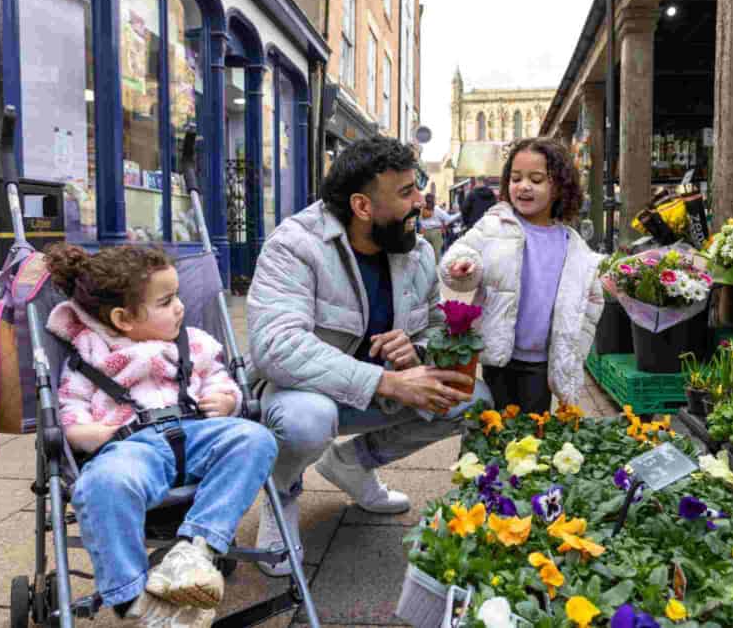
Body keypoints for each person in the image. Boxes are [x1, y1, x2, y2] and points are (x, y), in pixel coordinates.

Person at [247, 136, 486, 576]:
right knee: (307, 422)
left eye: (418, 187)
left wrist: (414, 352)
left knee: (469, 397)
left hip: (377, 389)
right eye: (406, 192)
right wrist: (390, 382)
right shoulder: (295, 245)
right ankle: (280, 496)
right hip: (299, 393)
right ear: (362, 206)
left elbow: (434, 328)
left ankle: (352, 465)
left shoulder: (415, 251)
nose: (421, 201)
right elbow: (277, 345)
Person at [44, 243, 277, 627]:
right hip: (130, 446)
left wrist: (225, 397)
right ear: (122, 318)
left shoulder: (194, 343)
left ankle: (194, 549)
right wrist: (85, 433)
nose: (180, 307)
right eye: (167, 301)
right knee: (101, 484)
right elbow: (71, 406)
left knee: (255, 438)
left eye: (178, 296)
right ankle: (133, 597)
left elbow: (219, 377)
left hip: (198, 433)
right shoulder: (89, 357)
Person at [440, 137, 605, 414]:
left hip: (542, 360)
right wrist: (462, 268)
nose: (524, 186)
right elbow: (461, 255)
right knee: (490, 425)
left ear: (559, 187)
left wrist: (575, 349)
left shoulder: (572, 244)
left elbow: (590, 303)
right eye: (516, 178)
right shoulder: (496, 224)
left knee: (531, 435)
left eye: (537, 179)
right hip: (499, 354)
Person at [418, 192, 460, 263]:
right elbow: (449, 219)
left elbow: (419, 220)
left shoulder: (422, 209)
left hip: (424, 233)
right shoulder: (436, 209)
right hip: (436, 233)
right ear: (433, 200)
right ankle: (436, 271)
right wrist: (460, 213)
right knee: (436, 255)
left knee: (427, 255)